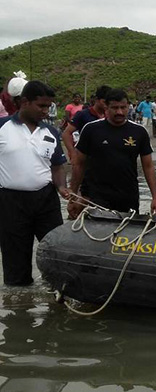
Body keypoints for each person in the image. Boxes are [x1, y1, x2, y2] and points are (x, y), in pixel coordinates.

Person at [0, 81, 70, 286]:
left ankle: (58, 291)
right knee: (15, 257)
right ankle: (20, 307)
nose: (46, 111)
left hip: (46, 201)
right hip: (10, 202)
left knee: (56, 250)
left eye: (48, 106)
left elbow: (57, 167)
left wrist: (62, 187)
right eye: (41, 106)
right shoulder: (2, 127)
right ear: (24, 102)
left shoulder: (51, 133)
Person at [68, 89, 156, 217]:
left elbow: (148, 166)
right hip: (96, 197)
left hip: (128, 196)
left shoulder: (139, 132)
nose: (120, 112)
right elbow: (79, 164)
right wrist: (73, 196)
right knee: (97, 234)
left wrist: (155, 197)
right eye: (115, 108)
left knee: (127, 234)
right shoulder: (91, 129)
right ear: (106, 107)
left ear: (128, 106)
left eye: (123, 107)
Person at [61, 85, 110, 163]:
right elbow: (66, 134)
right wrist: (72, 153)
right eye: (104, 102)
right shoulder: (83, 114)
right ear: (97, 99)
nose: (106, 105)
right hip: (85, 158)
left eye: (109, 102)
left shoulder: (109, 115)